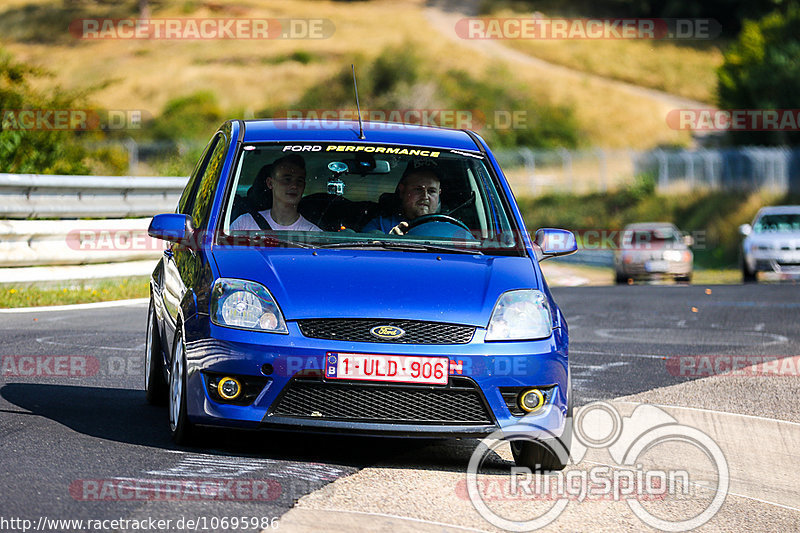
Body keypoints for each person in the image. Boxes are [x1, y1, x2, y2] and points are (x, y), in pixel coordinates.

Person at [230, 154, 321, 232]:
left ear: (304, 186)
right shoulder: (244, 224)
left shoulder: (313, 233)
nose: (294, 186)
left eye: (299, 181)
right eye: (287, 180)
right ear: (270, 183)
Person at [361, 164, 441, 235]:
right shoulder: (379, 225)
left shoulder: (448, 227)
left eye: (432, 191)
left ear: (439, 194)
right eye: (418, 189)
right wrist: (390, 241)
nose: (425, 196)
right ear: (402, 191)